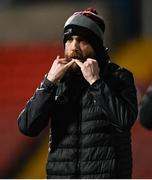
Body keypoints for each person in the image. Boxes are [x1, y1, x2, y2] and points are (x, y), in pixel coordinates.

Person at [17, 8, 138, 179]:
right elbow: (27, 127)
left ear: (96, 45)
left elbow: (124, 121)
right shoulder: (57, 81)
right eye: (69, 40)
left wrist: (96, 83)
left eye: (82, 40)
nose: (74, 47)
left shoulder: (119, 77)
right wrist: (49, 83)